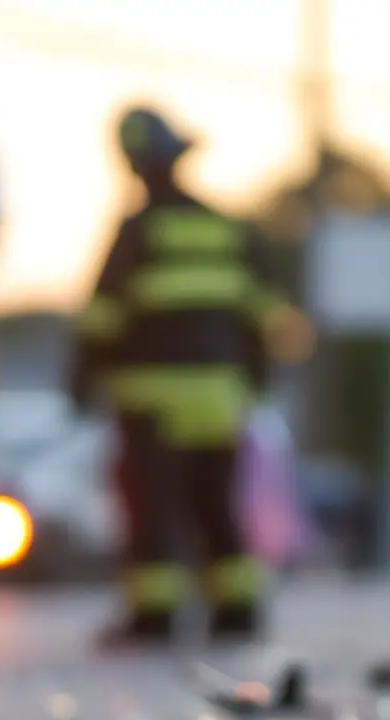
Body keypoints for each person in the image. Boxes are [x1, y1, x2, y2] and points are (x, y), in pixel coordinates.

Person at [70, 107, 286, 644]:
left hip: (151, 401)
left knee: (152, 509)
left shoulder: (139, 232)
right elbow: (260, 314)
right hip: (218, 397)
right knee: (215, 505)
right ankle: (238, 612)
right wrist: (257, 379)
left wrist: (79, 379)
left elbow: (103, 317)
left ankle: (154, 618)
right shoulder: (224, 229)